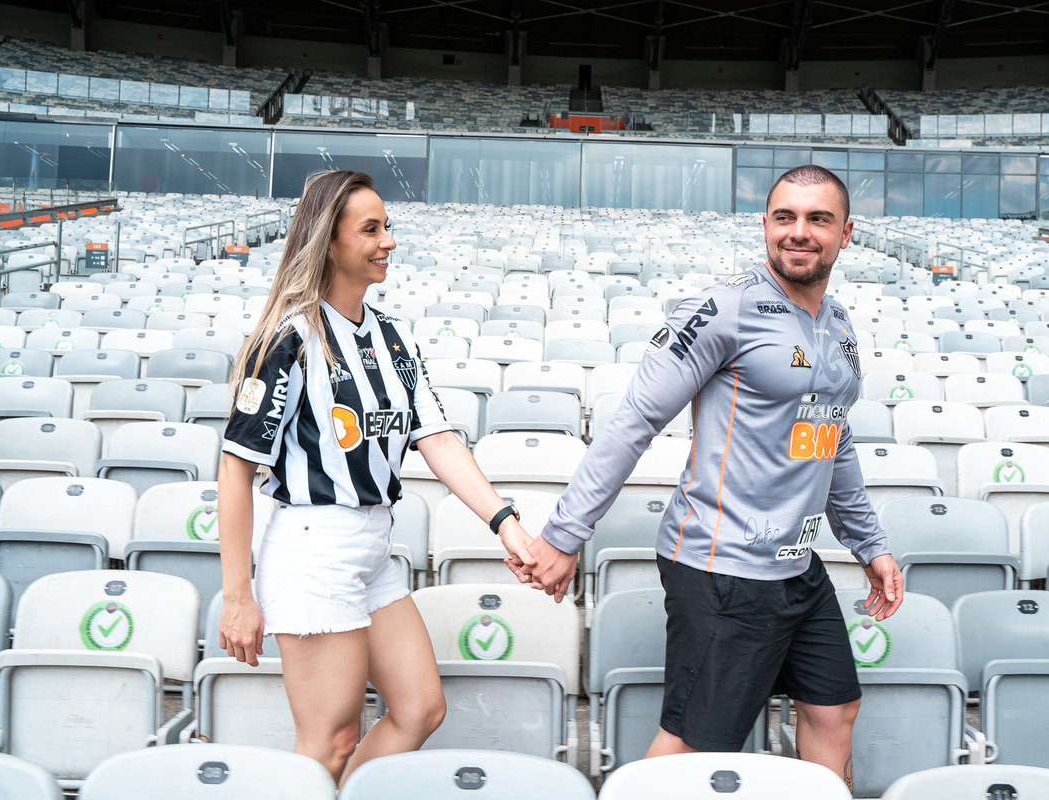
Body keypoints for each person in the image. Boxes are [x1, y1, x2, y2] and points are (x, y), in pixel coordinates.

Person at [520, 165, 903, 790]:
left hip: (797, 566)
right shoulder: (724, 306)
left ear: (846, 233)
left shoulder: (838, 323)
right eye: (785, 217)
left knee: (835, 710)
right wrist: (565, 535)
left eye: (818, 219)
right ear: (765, 225)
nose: (799, 232)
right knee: (696, 744)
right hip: (724, 564)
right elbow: (634, 420)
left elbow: (833, 436)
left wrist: (870, 544)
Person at [217, 170, 535, 785]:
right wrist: (237, 596)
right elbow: (235, 469)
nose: (388, 240)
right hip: (314, 549)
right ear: (327, 240)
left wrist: (506, 523)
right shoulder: (290, 338)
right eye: (370, 229)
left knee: (420, 710)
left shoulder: (393, 335)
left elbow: (437, 438)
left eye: (387, 226)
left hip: (373, 548)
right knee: (329, 741)